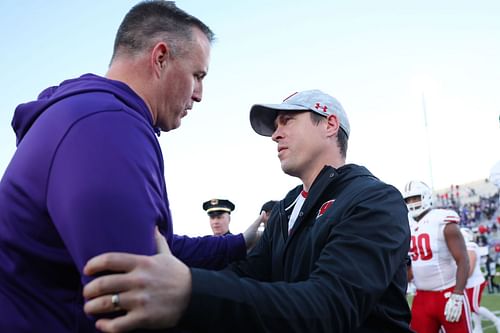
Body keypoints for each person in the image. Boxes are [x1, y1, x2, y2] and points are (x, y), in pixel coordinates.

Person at [0, 2, 262, 332]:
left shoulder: (88, 116)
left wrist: (240, 242)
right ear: (161, 57)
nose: (199, 95)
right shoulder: (107, 126)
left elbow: (157, 243)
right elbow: (135, 299)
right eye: (197, 76)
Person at [83, 89, 413, 332]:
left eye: (287, 121)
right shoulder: (286, 207)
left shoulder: (375, 199)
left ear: (329, 124)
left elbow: (331, 306)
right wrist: (167, 281)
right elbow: (247, 274)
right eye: (275, 126)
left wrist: (190, 290)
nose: (276, 134)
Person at [403, 180, 472, 332]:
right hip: (421, 296)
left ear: (426, 197)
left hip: (448, 293)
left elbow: (463, 260)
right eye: (408, 200)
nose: (412, 203)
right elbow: (411, 264)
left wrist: (458, 294)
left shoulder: (442, 220)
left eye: (416, 198)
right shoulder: (408, 225)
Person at [460, 228, 500, 332]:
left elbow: (470, 266)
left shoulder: (470, 246)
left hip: (474, 281)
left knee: (474, 307)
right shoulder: (464, 247)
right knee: (471, 306)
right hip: (469, 282)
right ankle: (478, 328)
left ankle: (496, 320)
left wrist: (462, 279)